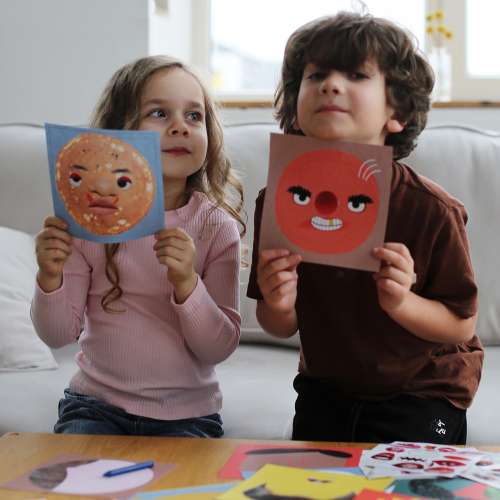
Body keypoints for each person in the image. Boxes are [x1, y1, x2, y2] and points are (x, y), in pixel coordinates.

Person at [247, 11, 483, 444]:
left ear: (398, 111)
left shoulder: (432, 210)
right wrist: (279, 303)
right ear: (296, 109)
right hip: (327, 386)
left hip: (422, 388)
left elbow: (461, 326)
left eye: (356, 74)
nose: (330, 84)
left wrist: (402, 302)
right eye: (316, 74)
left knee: (409, 478)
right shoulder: (279, 201)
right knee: (305, 477)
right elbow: (278, 324)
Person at [31, 55, 246, 437]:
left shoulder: (216, 227)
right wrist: (49, 277)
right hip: (95, 406)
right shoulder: (89, 221)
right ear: (119, 131)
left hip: (188, 416)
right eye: (159, 113)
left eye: (194, 116)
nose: (180, 127)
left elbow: (219, 349)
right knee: (71, 477)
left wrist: (187, 283)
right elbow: (57, 335)